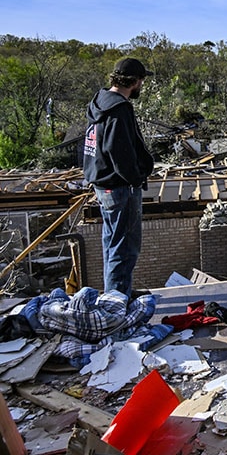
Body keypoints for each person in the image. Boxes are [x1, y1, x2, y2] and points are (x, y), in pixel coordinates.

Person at [82, 57, 155, 297]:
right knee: (124, 247)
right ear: (134, 82)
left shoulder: (100, 103)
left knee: (112, 243)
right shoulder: (118, 109)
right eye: (141, 81)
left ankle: (117, 291)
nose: (142, 85)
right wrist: (135, 178)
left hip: (104, 185)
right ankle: (116, 301)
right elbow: (119, 151)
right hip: (119, 187)